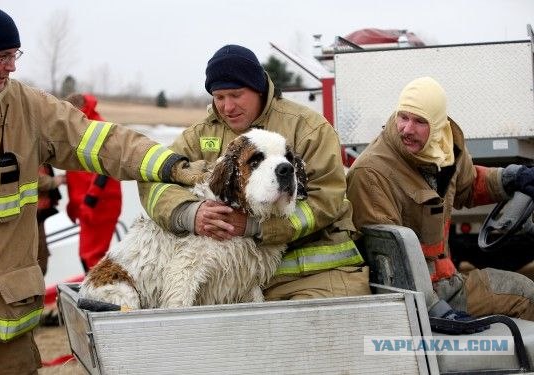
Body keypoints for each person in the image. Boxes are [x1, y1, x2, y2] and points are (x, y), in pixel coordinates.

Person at [0, 5, 206, 373]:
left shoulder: (30, 108)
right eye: (3, 57)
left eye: (15, 56)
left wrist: (169, 164)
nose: (12, 66)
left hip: (8, 330)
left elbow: (100, 142)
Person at [137, 44, 371, 302]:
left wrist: (256, 226)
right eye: (219, 97)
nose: (227, 107)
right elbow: (154, 181)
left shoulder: (307, 129)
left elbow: (327, 199)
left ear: (258, 88)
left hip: (313, 275)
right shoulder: (199, 136)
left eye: (236, 95)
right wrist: (190, 213)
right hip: (236, 279)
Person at [346, 76, 534, 324]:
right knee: (524, 296)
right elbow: (387, 261)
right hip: (422, 296)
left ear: (437, 124)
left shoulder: (445, 146)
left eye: (419, 121)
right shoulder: (371, 173)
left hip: (448, 282)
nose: (407, 129)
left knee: (526, 290)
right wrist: (434, 309)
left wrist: (512, 177)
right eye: (403, 117)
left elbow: (468, 185)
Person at [65, 93, 123, 273]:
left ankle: (101, 295)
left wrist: (90, 202)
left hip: (100, 206)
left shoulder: (98, 128)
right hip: (87, 205)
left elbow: (105, 171)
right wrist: (75, 205)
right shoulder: (78, 128)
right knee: (87, 255)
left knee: (91, 256)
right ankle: (96, 292)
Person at [36, 164, 66, 275]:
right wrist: (54, 181)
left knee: (41, 254)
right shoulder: (24, 151)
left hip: (39, 215)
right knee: (38, 256)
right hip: (33, 215)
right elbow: (31, 176)